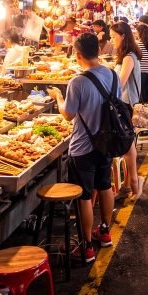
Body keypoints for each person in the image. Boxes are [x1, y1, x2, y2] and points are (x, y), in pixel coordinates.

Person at [48, 34, 119, 264]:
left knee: (85, 196)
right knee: (105, 186)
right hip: (107, 142)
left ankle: (87, 245)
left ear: (78, 55)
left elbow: (68, 115)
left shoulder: (77, 82)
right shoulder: (112, 74)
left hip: (83, 147)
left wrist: (58, 97)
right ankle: (106, 231)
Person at [110, 22, 143, 200]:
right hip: (124, 104)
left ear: (123, 36)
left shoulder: (129, 57)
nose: (112, 40)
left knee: (128, 145)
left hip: (126, 105)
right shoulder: (126, 55)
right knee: (127, 144)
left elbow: (120, 83)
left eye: (114, 36)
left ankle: (134, 183)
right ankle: (129, 183)